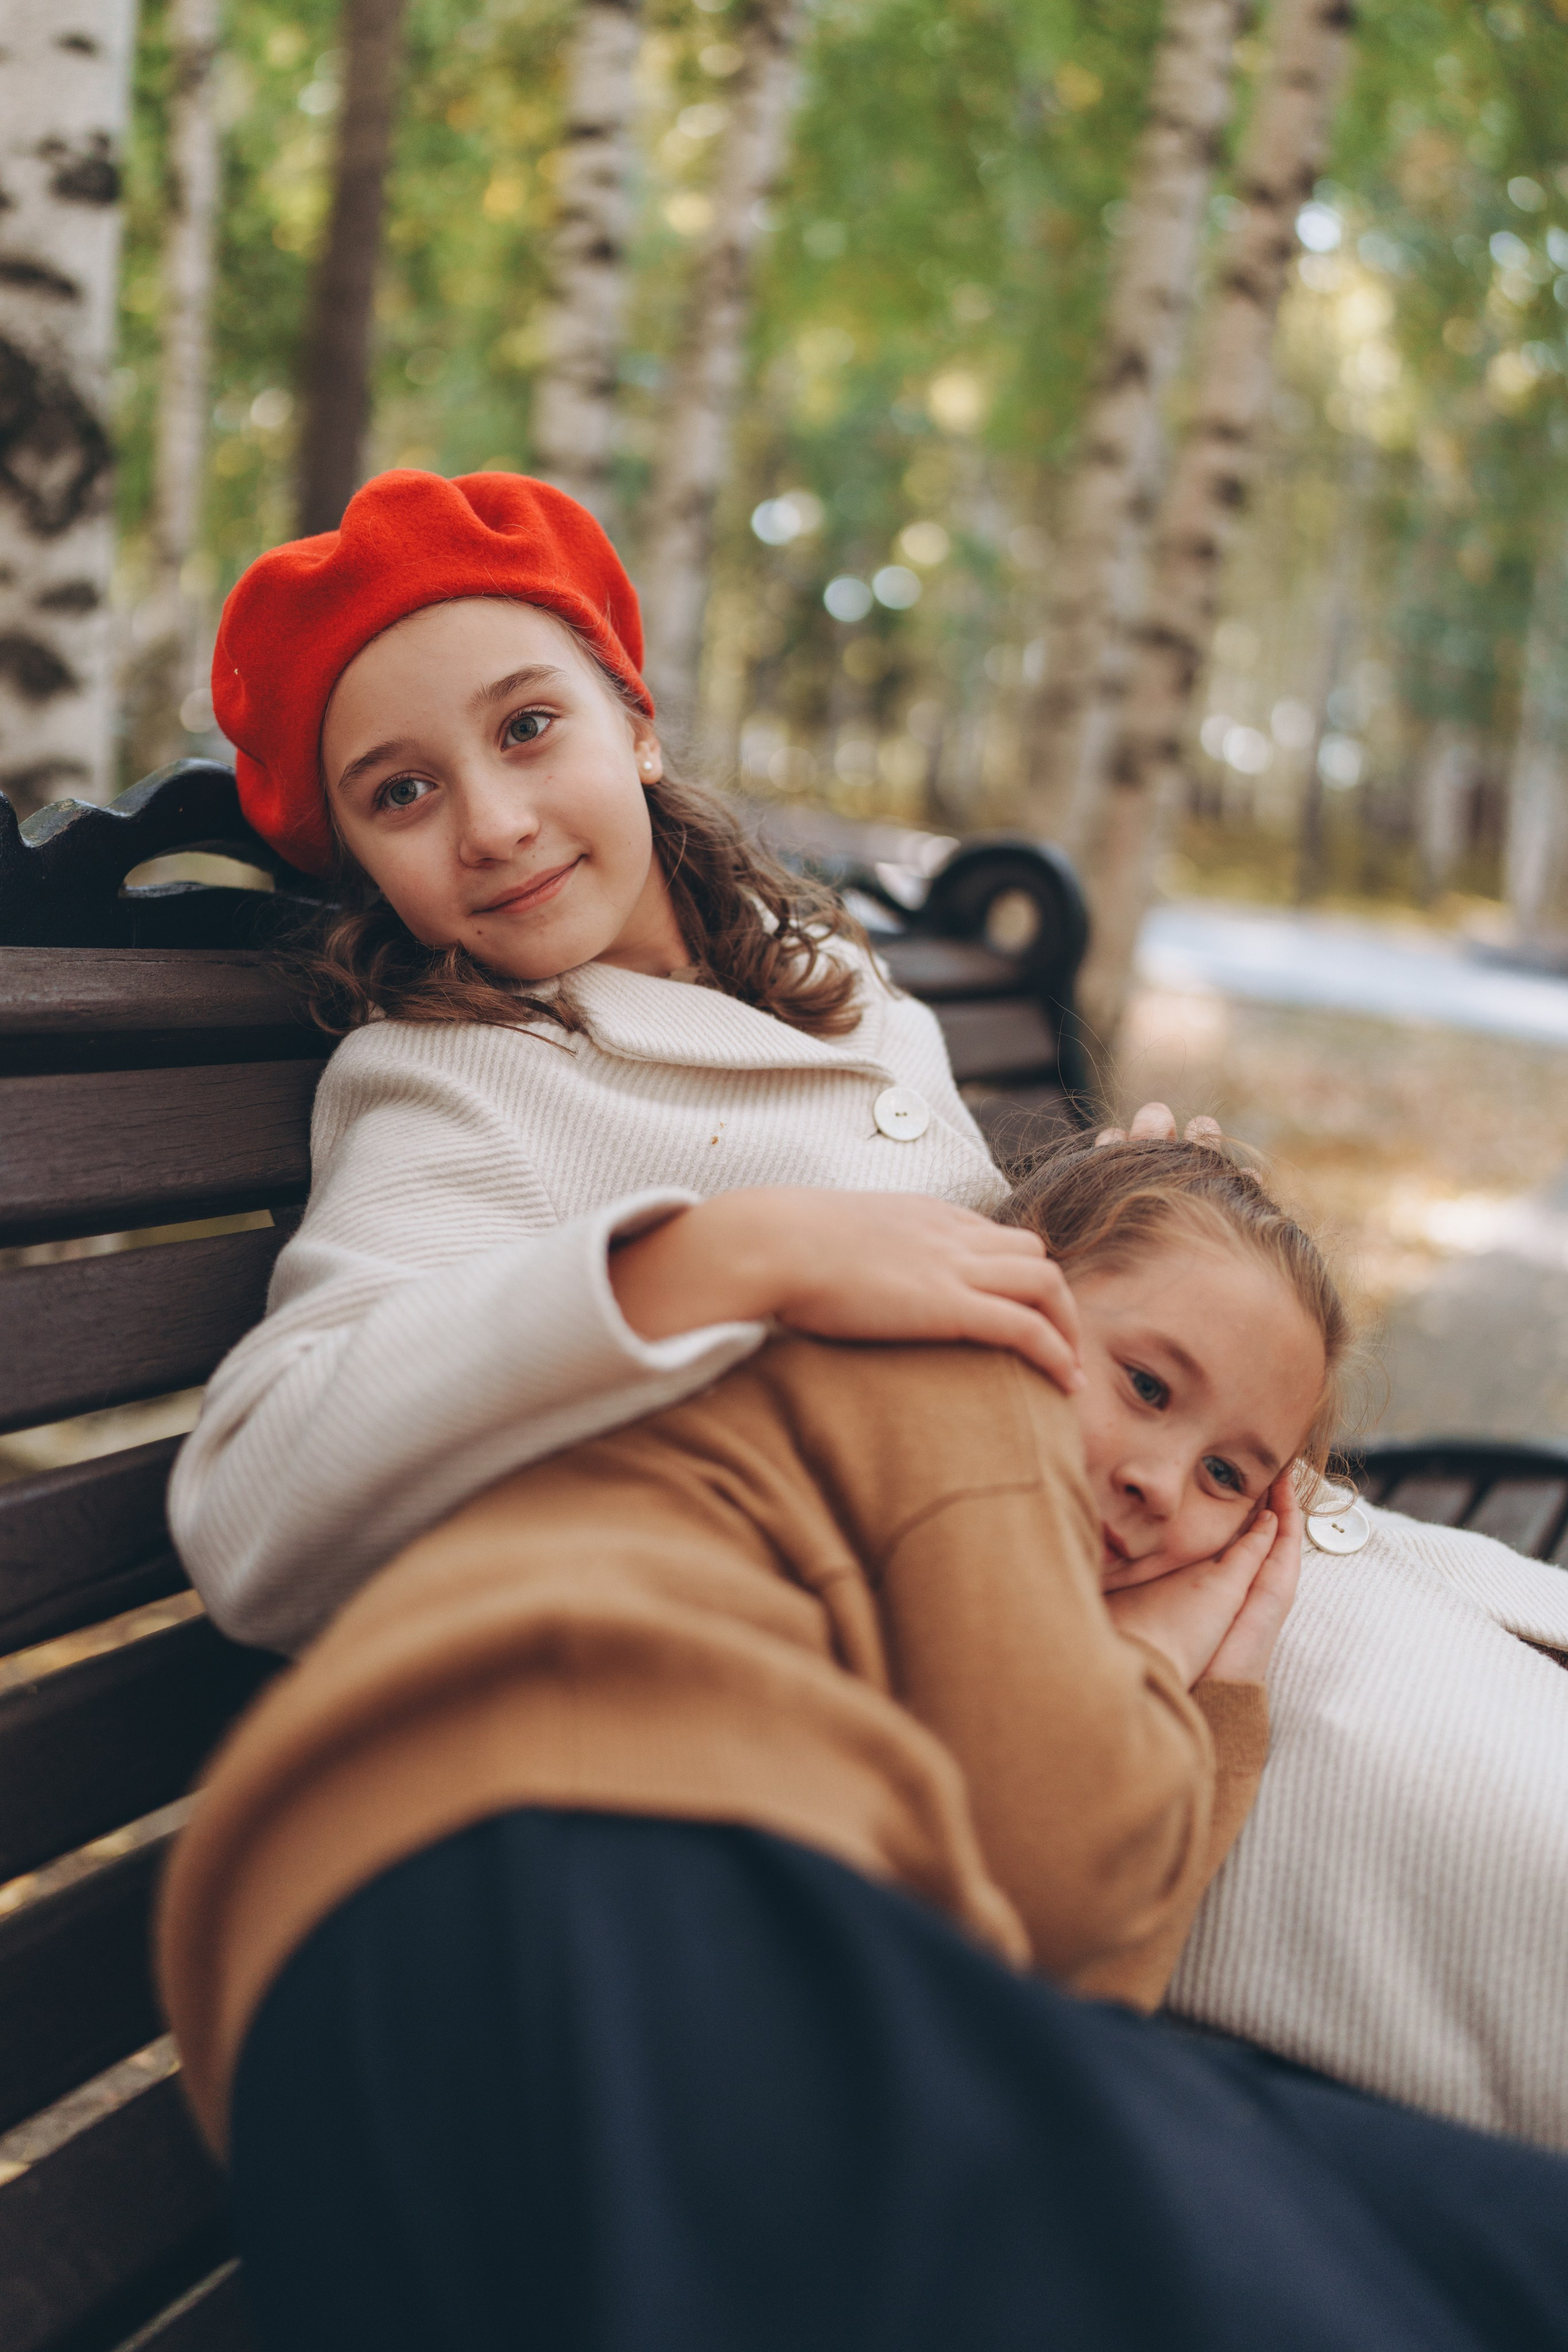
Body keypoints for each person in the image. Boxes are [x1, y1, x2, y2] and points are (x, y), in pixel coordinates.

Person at [159, 467, 1568, 2350]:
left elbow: (973, 1302)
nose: (492, 823)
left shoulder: (844, 1000)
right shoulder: (459, 1091)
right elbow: (253, 1500)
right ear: (357, 858)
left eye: (528, 728)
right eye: (400, 793)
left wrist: (1135, 1237)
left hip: (1106, 1584)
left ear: (634, 721)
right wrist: (710, 1261)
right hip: (1036, 1706)